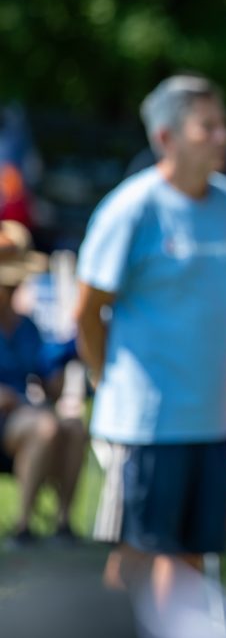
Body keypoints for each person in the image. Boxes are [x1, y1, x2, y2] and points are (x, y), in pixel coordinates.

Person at [75, 75, 226, 636]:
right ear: (166, 137)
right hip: (143, 424)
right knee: (134, 556)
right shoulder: (131, 208)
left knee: (190, 561)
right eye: (208, 125)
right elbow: (88, 308)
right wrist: (105, 379)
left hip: (208, 418)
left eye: (222, 123)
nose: (222, 136)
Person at [0, 220, 85, 547]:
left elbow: (50, 386)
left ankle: (64, 524)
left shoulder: (26, 327)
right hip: (14, 420)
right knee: (45, 427)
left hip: (23, 416)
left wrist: (64, 359)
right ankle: (22, 526)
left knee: (73, 427)